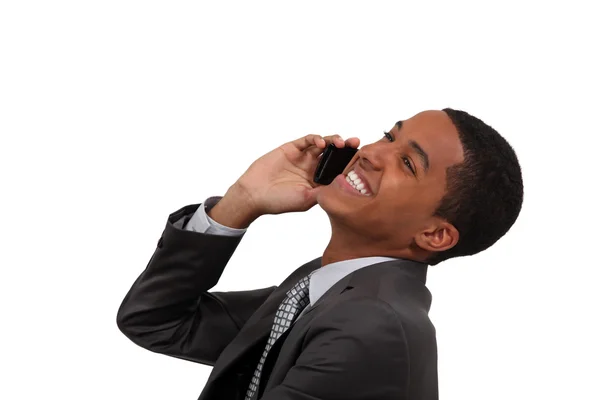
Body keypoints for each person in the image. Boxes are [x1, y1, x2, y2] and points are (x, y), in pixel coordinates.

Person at [116, 108, 523, 400]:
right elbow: (156, 320)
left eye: (407, 163)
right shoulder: (325, 288)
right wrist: (242, 200)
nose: (370, 152)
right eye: (389, 135)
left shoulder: (372, 326)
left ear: (434, 234)